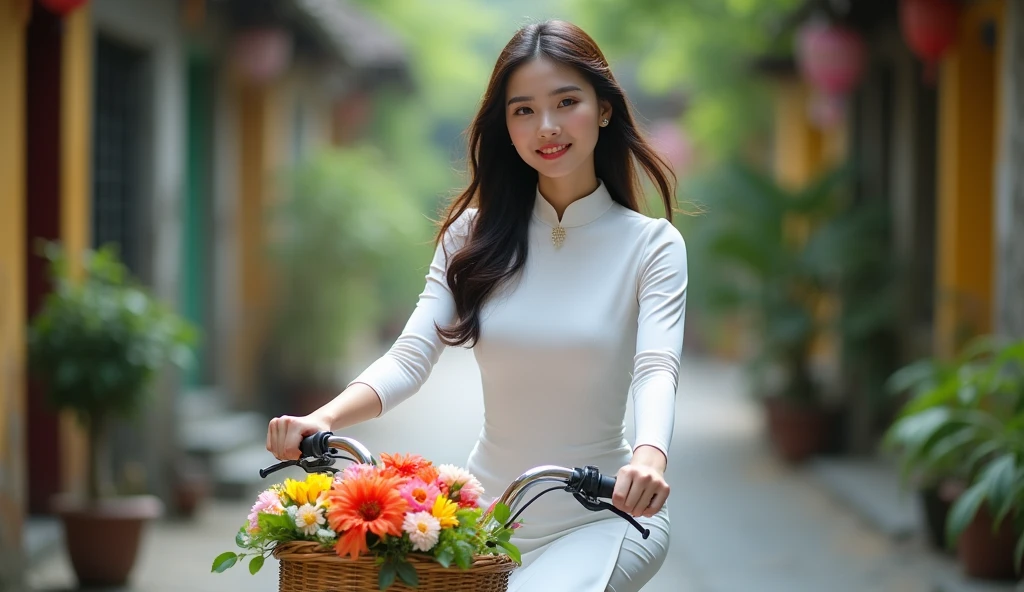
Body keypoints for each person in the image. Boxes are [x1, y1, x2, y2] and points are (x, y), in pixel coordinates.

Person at [266, 19, 687, 592]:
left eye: (567, 102)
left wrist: (650, 458)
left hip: (606, 513)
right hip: (486, 521)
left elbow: (656, 367)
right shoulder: (471, 236)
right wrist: (324, 418)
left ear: (604, 109)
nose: (547, 126)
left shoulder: (651, 246)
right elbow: (412, 355)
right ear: (505, 126)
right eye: (523, 110)